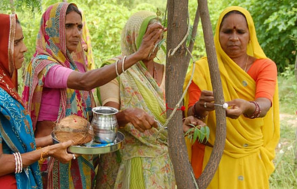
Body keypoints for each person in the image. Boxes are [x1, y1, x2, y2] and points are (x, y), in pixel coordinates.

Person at [22, 3, 163, 189]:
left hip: (78, 159)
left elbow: (88, 118)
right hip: (50, 162)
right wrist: (135, 57)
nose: (76, 33)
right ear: (52, 29)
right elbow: (84, 81)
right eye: (68, 26)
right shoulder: (43, 66)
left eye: (79, 26)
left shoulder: (75, 66)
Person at [0, 13, 75, 189]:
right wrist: (47, 152)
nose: (24, 48)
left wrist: (53, 139)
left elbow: (11, 143)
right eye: (15, 43)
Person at [95, 11, 205, 189]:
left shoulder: (171, 73)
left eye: (159, 38)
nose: (154, 44)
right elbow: (107, 119)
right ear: (133, 37)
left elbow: (169, 120)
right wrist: (127, 115)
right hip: (131, 163)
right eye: (149, 38)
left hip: (165, 165)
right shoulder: (115, 70)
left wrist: (186, 124)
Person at [183, 6, 280, 189]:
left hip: (251, 158)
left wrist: (247, 107)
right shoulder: (202, 69)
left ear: (250, 35)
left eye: (240, 32)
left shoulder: (264, 66)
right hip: (213, 159)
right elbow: (191, 113)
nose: (234, 38)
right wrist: (201, 107)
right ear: (217, 35)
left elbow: (265, 103)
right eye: (227, 31)